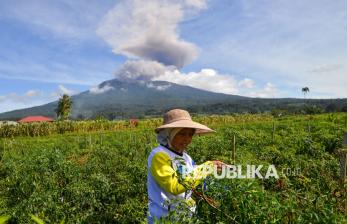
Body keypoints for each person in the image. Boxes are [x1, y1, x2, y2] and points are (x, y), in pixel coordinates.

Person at [147, 109, 224, 223]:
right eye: (182, 134)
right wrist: (207, 167)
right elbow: (175, 186)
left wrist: (207, 196)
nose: (187, 139)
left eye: (190, 134)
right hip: (165, 218)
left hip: (187, 216)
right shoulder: (159, 155)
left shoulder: (187, 158)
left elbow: (192, 183)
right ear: (169, 133)